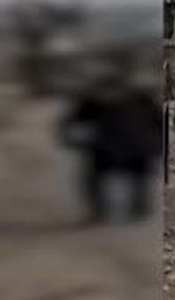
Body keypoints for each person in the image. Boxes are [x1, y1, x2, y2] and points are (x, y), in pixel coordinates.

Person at [59, 65, 162, 223]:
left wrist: (158, 142)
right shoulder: (93, 102)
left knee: (139, 179)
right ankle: (104, 211)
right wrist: (71, 138)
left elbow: (159, 122)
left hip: (134, 147)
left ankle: (137, 210)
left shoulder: (141, 99)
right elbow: (71, 123)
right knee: (98, 179)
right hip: (108, 148)